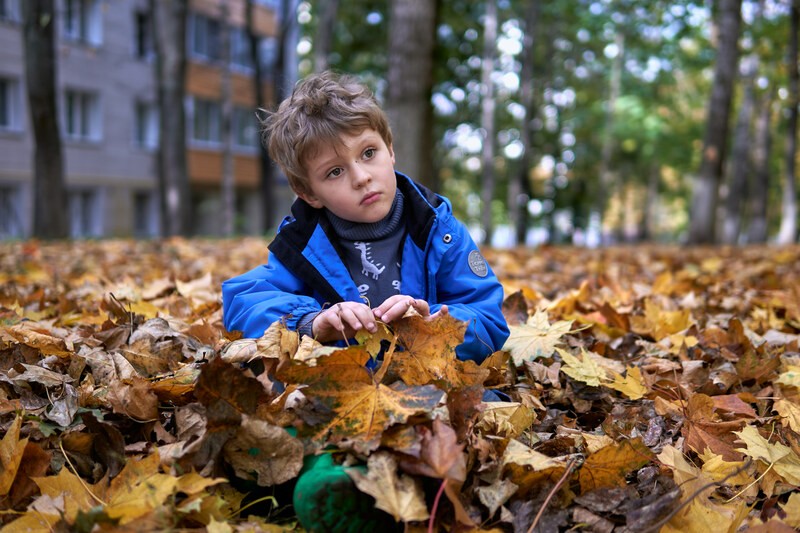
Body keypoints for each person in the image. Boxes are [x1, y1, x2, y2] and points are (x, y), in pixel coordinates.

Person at [221, 70, 509, 531]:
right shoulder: (303, 243)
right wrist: (311, 322)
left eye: (369, 154)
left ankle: (412, 490)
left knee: (479, 413)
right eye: (334, 172)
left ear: (390, 149)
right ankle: (328, 486)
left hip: (427, 391)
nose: (361, 177)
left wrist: (434, 322)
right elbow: (243, 300)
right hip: (339, 395)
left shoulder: (438, 229)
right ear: (307, 192)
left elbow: (490, 318)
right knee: (278, 414)